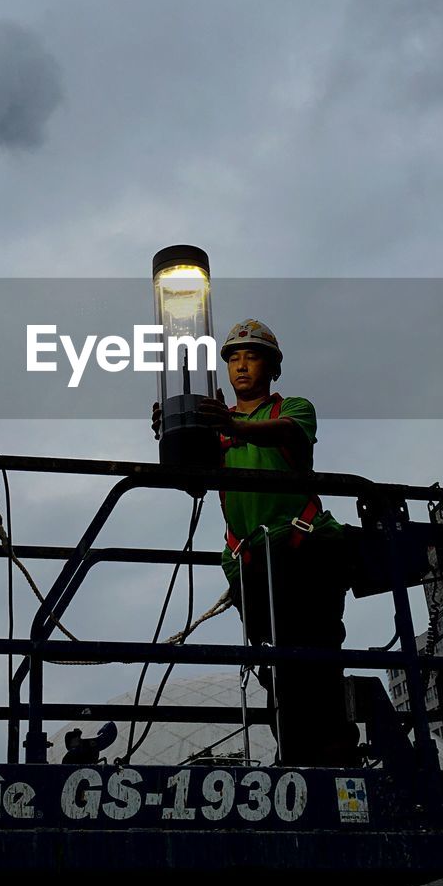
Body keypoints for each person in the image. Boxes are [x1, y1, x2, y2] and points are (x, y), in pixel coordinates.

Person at [153, 319, 358, 766]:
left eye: (253, 356)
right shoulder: (219, 431)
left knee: (313, 659)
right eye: (234, 359)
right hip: (252, 564)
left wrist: (230, 424)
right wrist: (178, 435)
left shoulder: (293, 410)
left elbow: (288, 434)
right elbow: (194, 484)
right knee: (276, 669)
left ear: (273, 368)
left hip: (303, 553)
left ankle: (334, 758)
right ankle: (297, 756)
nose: (242, 366)